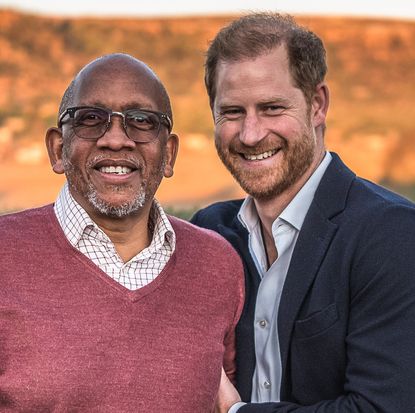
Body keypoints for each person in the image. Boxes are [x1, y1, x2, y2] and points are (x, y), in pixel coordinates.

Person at [191, 12, 415, 412]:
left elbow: (383, 408)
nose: (251, 134)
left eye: (272, 108)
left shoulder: (392, 235)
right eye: (232, 112)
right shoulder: (210, 232)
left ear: (317, 105)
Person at [0, 53, 244, 412]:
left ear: (169, 154)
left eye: (142, 121)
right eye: (90, 119)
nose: (116, 140)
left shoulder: (217, 265)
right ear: (57, 148)